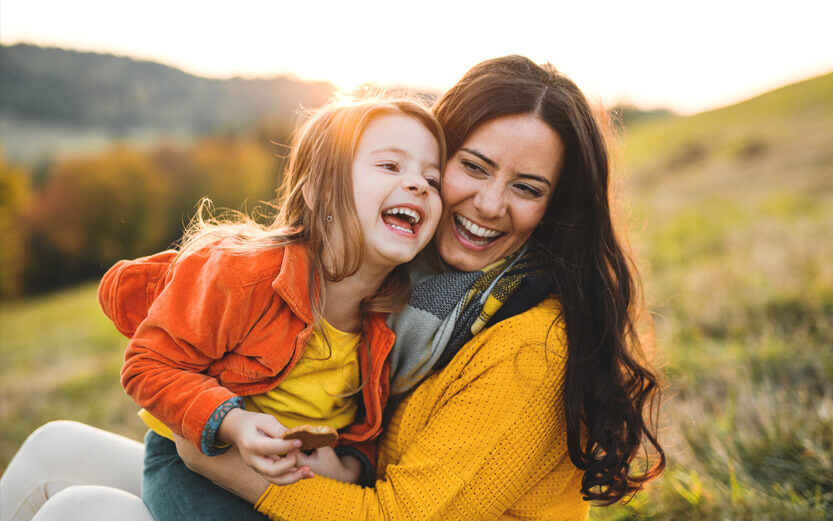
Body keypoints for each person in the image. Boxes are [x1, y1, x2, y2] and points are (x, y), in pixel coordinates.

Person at [0, 55, 665, 521]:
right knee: (55, 445)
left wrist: (215, 452)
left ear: (555, 207)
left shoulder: (528, 342)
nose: (490, 203)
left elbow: (399, 512)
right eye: (472, 166)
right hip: (304, 486)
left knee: (83, 511)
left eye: (527, 187)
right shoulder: (413, 292)